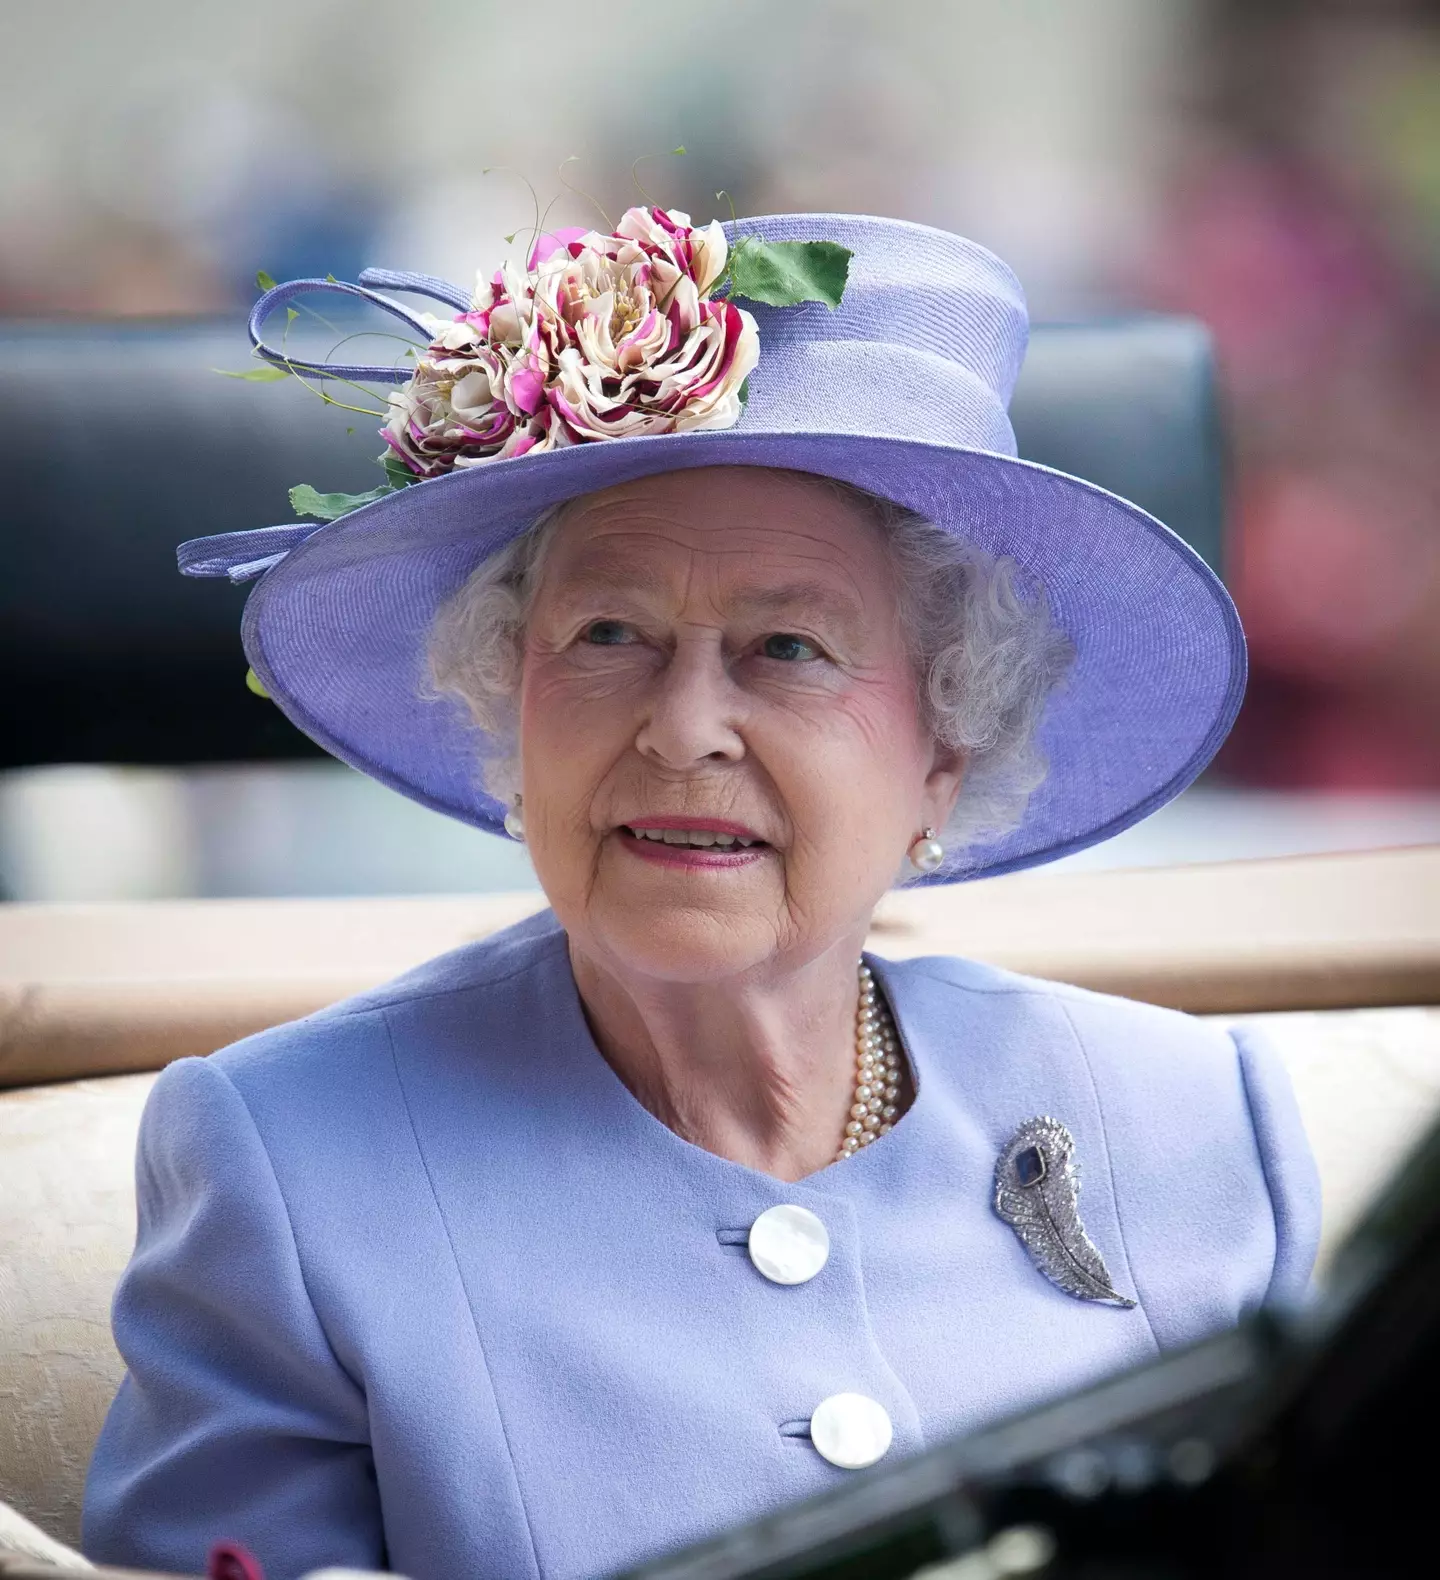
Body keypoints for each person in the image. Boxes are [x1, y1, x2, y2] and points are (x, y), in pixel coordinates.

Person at [83, 209, 1319, 1580]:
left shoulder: (1196, 1123)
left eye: (788, 648)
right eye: (608, 633)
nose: (682, 730)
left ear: (943, 752)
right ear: (510, 698)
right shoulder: (288, 1163)